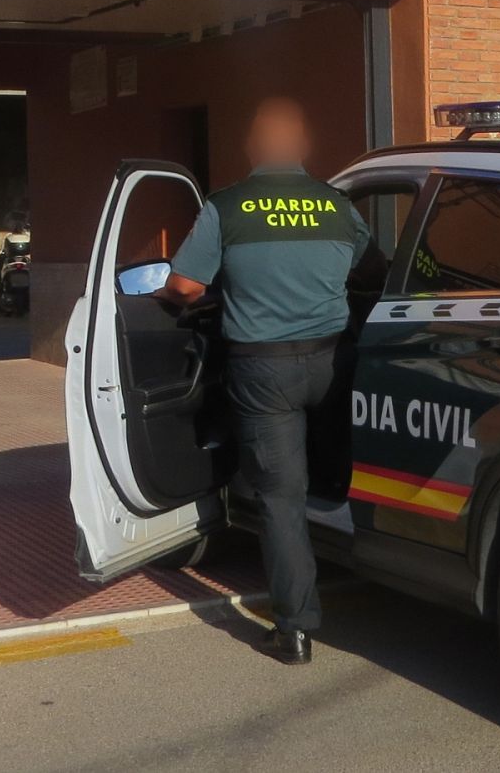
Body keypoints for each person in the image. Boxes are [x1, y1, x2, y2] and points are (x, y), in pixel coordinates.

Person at [155, 98, 369, 665]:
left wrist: (172, 293)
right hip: (334, 361)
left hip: (264, 371)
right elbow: (364, 265)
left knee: (281, 497)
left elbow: (185, 287)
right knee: (344, 464)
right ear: (301, 147)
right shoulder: (337, 204)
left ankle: (294, 629)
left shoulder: (226, 206)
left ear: (253, 147)